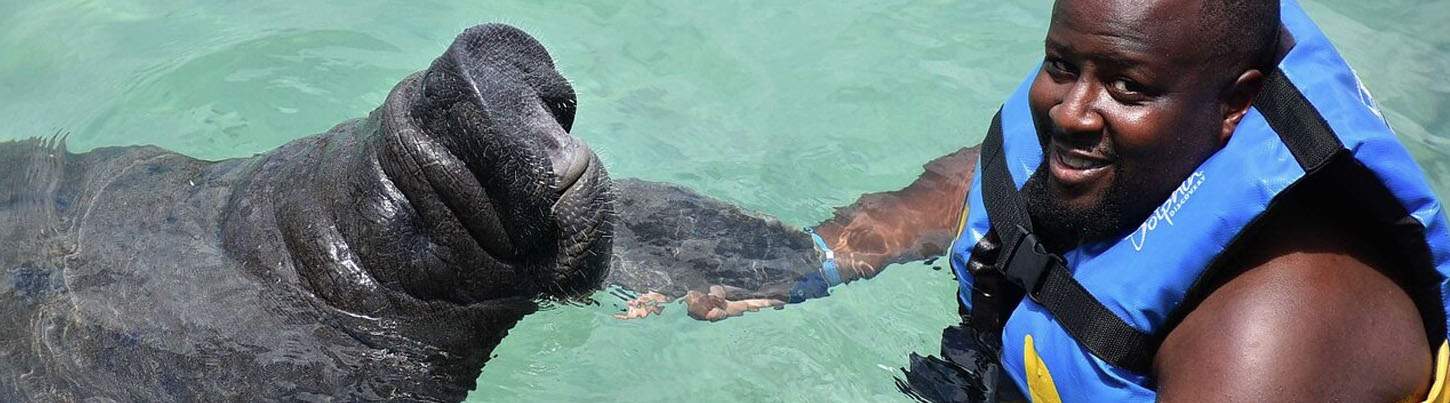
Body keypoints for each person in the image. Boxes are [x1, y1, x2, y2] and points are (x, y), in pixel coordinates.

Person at [641, 0, 1450, 400]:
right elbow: (992, 182)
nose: (1071, 113)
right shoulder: (1127, 135)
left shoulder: (1271, 332)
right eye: (1062, 65)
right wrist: (815, 257)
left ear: (1236, 104)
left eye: (1127, 88)